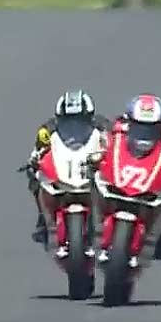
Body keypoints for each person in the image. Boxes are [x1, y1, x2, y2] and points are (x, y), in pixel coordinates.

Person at [95, 94, 161, 262]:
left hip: (151, 175)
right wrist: (98, 155)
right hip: (124, 167)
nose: (144, 133)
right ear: (129, 121)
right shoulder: (117, 129)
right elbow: (104, 144)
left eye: (151, 128)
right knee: (91, 174)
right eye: (138, 126)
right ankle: (88, 225)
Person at [27, 90, 111, 243]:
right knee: (35, 174)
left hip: (90, 166)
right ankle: (43, 218)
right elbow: (39, 147)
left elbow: (114, 144)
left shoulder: (103, 127)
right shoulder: (48, 129)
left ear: (90, 117)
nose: (74, 125)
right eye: (68, 121)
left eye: (80, 120)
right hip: (65, 161)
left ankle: (111, 221)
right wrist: (35, 157)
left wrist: (106, 154)